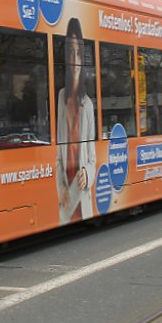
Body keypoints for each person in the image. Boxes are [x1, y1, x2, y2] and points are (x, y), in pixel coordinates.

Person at [55, 17, 96, 224]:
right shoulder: (61, 98)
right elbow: (57, 156)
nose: (75, 59)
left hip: (81, 193)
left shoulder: (87, 105)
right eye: (70, 52)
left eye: (79, 53)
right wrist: (61, 188)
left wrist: (87, 175)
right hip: (66, 198)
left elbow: (92, 158)